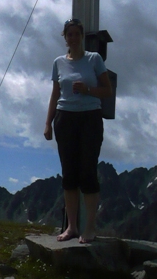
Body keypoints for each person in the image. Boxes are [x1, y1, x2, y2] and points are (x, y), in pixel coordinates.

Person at [44, 18, 112, 243]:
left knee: (88, 173)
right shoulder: (58, 62)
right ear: (65, 38)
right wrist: (48, 123)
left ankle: (89, 228)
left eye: (76, 34)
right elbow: (55, 94)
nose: (73, 38)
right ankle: (72, 227)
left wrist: (87, 89)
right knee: (69, 174)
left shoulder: (94, 59)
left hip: (90, 118)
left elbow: (107, 90)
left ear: (82, 36)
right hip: (64, 119)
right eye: (69, 34)